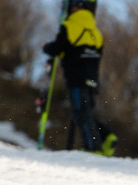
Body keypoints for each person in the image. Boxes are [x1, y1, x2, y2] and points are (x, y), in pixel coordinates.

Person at [43, 0, 117, 156]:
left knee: (81, 113)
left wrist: (47, 48)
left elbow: (57, 48)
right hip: (92, 80)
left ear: (76, 7)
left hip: (76, 79)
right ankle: (105, 136)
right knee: (86, 112)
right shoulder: (96, 32)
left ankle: (92, 148)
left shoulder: (70, 26)